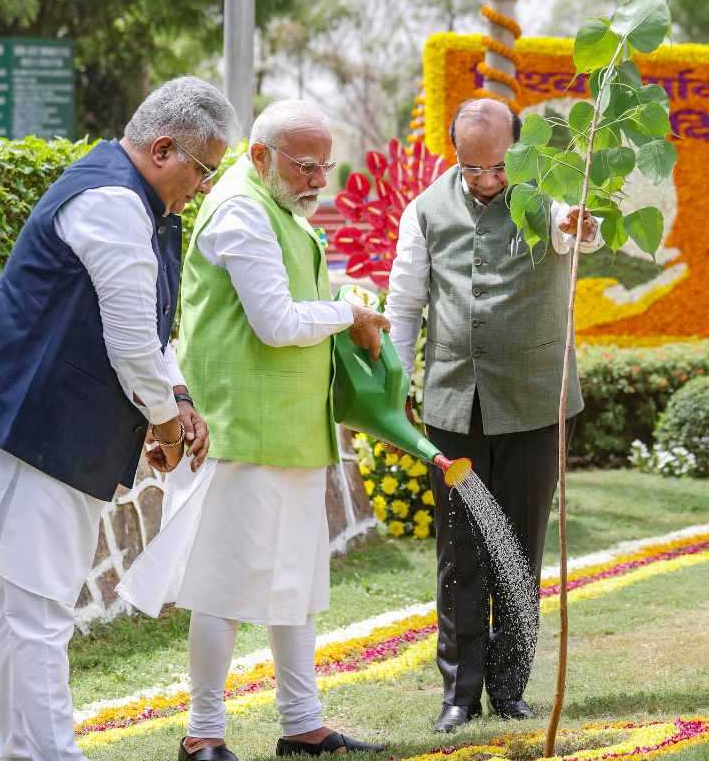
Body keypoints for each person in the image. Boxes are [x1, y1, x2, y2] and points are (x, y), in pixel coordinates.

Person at [0, 77, 233, 761]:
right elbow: (131, 344)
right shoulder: (112, 202)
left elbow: (151, 332)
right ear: (164, 149)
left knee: (25, 607)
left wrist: (181, 402)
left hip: (45, 428)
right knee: (40, 608)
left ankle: (26, 752)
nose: (200, 186)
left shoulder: (139, 204)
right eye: (201, 169)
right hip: (35, 429)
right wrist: (166, 428)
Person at [121, 100, 388, 761]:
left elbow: (298, 299)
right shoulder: (241, 207)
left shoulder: (280, 208)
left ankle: (303, 725)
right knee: (223, 588)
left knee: (293, 584)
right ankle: (202, 734)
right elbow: (275, 321)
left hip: (289, 429)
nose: (318, 178)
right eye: (304, 165)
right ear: (261, 156)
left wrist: (343, 301)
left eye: (324, 165)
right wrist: (347, 310)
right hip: (235, 431)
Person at [385, 97, 601, 733]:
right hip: (455, 406)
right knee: (461, 554)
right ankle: (458, 694)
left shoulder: (548, 195)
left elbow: (577, 228)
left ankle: (511, 690)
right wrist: (395, 387)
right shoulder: (424, 209)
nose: (485, 180)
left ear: (519, 148)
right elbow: (404, 303)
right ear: (454, 151)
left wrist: (583, 226)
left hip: (536, 403)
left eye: (498, 168)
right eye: (472, 167)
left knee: (521, 549)